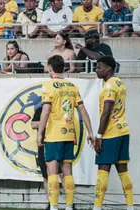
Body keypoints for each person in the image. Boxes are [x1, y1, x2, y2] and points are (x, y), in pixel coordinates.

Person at [37, 55, 95, 210]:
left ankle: (54, 206)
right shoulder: (72, 86)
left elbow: (46, 111)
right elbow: (82, 110)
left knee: (52, 171)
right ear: (63, 68)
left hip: (54, 134)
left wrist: (39, 133)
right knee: (68, 172)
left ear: (50, 68)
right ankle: (69, 206)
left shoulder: (48, 86)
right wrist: (90, 132)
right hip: (69, 133)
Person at [93, 56, 134, 210]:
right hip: (123, 130)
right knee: (123, 170)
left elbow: (106, 112)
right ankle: (130, 206)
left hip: (111, 132)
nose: (97, 70)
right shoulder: (120, 83)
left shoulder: (109, 86)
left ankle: (97, 207)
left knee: (103, 169)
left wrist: (99, 136)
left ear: (109, 68)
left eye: (99, 67)